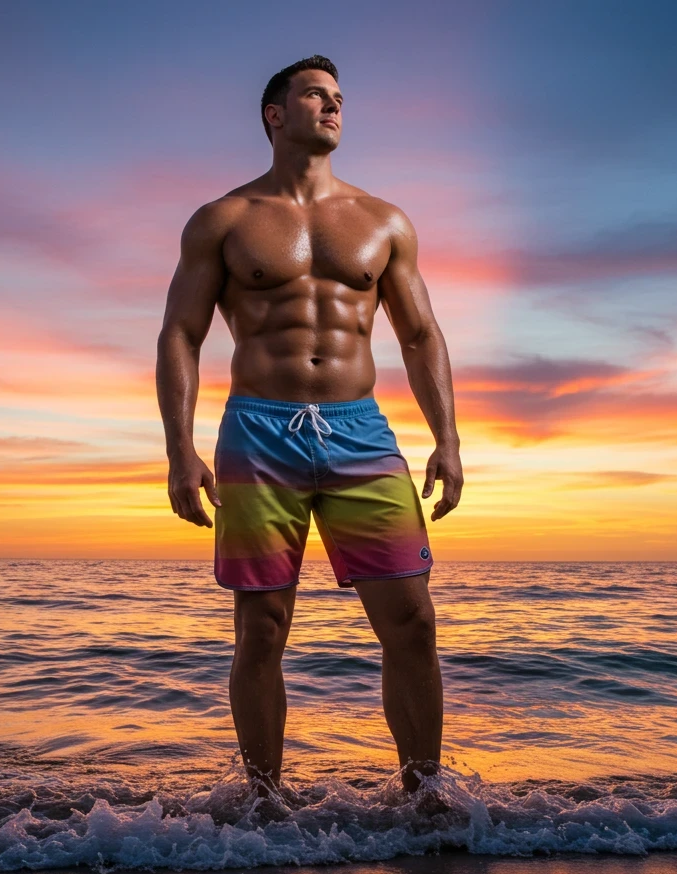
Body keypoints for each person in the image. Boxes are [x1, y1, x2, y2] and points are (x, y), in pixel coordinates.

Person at [156, 54, 463, 806]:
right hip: (259, 434)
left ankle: (425, 798)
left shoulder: (383, 221)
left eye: (339, 99)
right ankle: (264, 801)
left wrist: (447, 439)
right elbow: (180, 335)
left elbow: (421, 336)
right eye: (315, 96)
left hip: (361, 433)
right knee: (261, 629)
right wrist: (179, 450)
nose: (333, 108)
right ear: (274, 114)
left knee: (413, 622)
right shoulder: (224, 220)